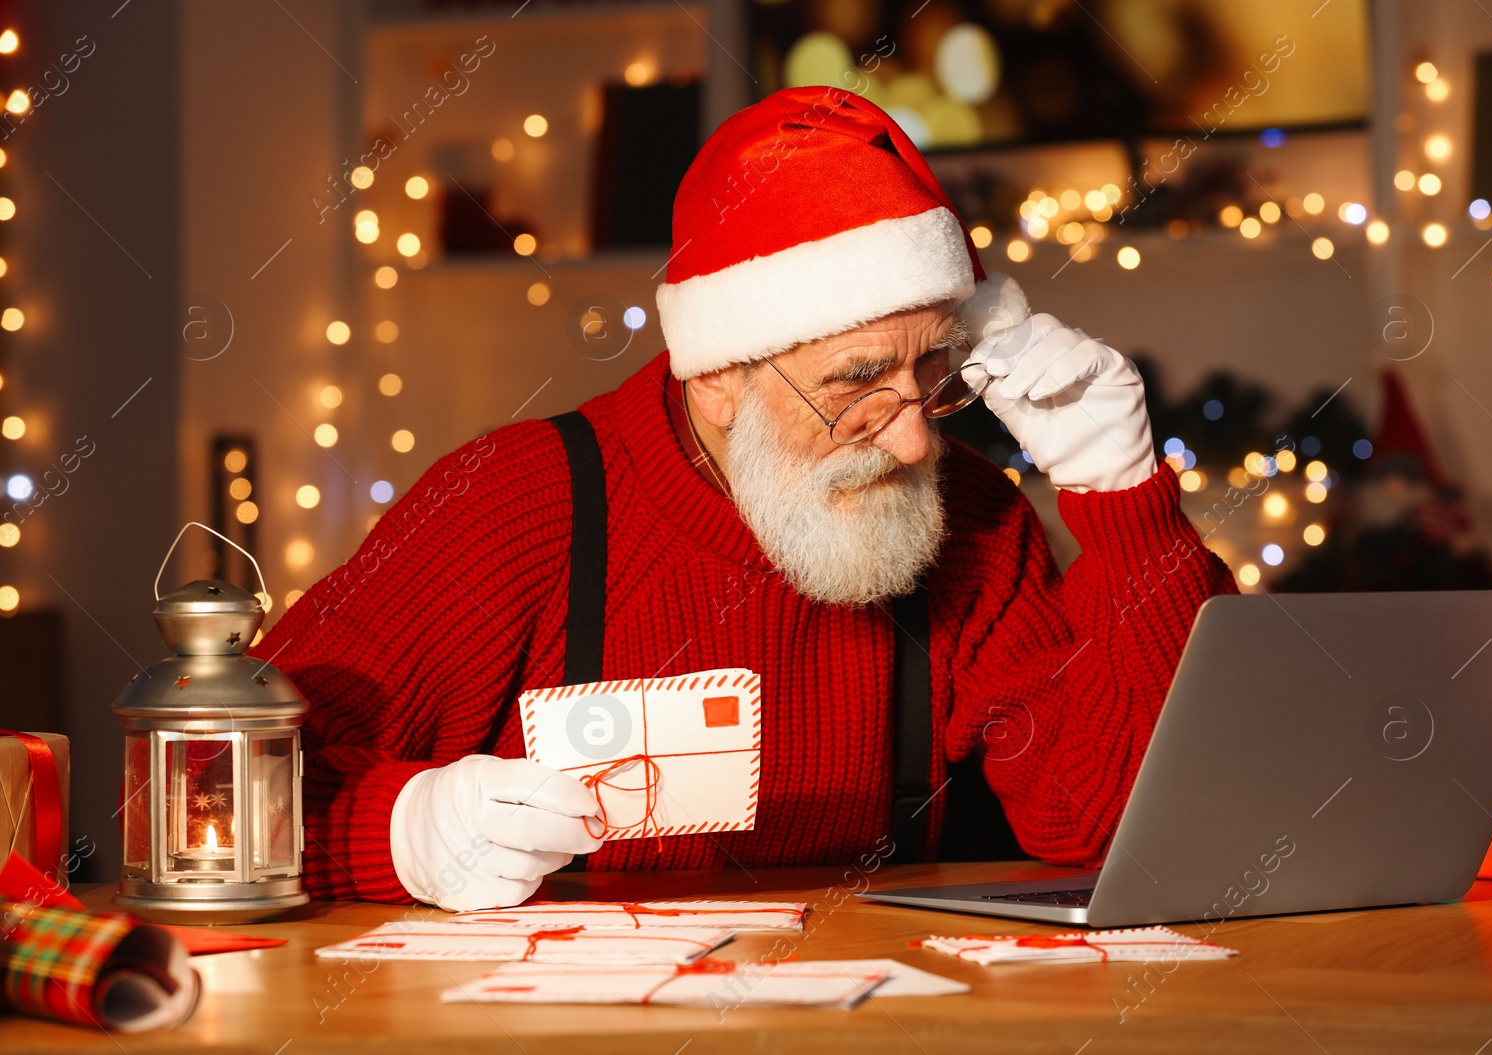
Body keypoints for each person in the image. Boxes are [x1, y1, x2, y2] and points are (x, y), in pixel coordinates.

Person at [251, 86, 1236, 911]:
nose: (912, 438)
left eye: (932, 372)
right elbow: (199, 797)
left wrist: (1123, 497)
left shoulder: (966, 517)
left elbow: (1114, 828)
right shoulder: (515, 505)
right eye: (856, 383)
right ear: (716, 375)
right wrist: (399, 828)